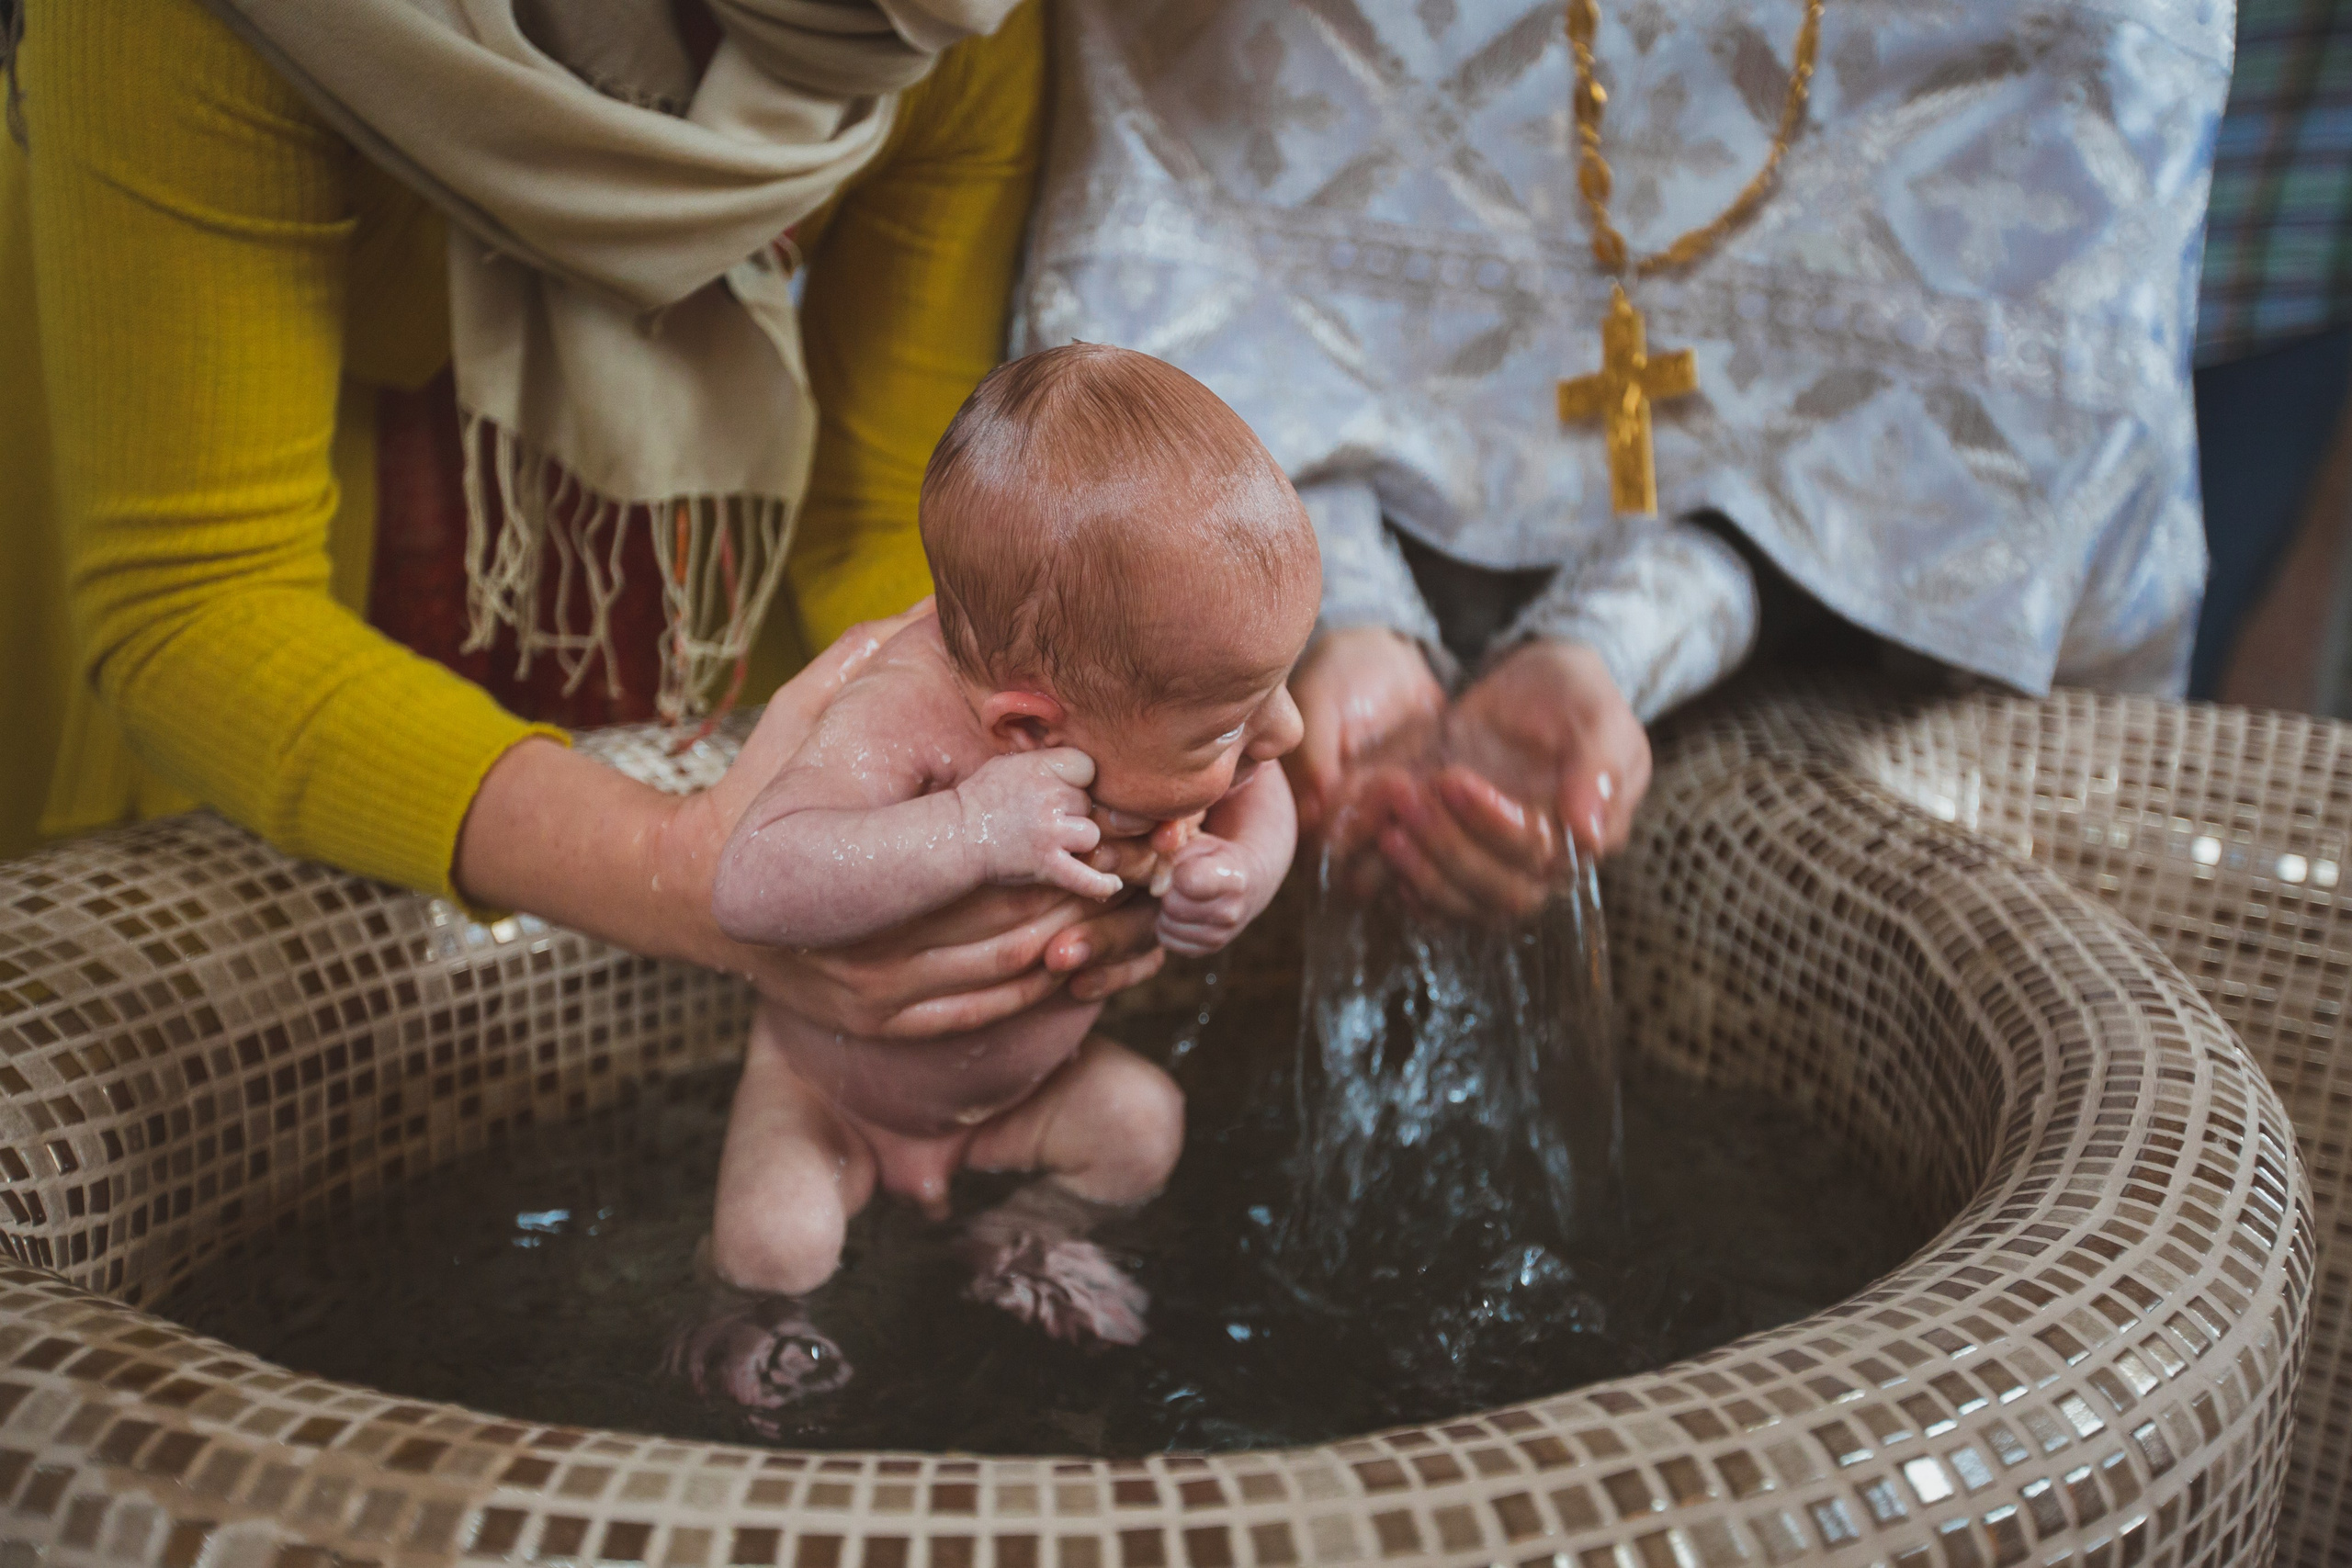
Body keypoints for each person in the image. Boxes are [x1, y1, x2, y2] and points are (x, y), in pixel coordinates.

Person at [0, 0, 1169, 1040]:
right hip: (284, 637)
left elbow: (884, 515)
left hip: (692, 621)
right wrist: (681, 870)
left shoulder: (935, 21)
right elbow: (199, 601)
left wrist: (1085, 746)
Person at [1013, 0, 2230, 915]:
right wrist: (1338, 605)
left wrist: (1632, 629)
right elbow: (1190, 200)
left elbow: (2020, 347)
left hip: (1835, 647)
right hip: (1245, 596)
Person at [695, 347, 1318, 1358]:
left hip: (1019, 1104)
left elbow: (1266, 798)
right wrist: (973, 830)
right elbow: (749, 882)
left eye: (1278, 688)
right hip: (831, 1100)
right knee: (781, 1237)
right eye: (1228, 729)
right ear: (1030, 731)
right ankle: (750, 1337)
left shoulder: (1181, 714)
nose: (1286, 732)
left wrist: (1241, 880)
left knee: (1141, 1123)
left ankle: (1023, 1238)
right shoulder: (903, 713)